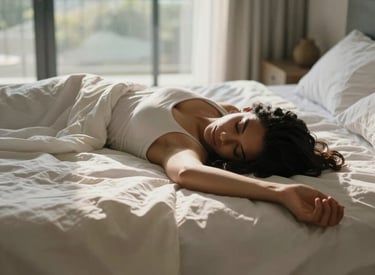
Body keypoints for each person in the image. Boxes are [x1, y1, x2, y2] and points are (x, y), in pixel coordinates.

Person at [107, 86, 345, 227]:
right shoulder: (223, 110)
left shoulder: (183, 146)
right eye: (239, 127)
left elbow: (186, 172)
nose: (224, 138)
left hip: (78, 110)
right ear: (247, 110)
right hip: (99, 86)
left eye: (236, 150)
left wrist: (281, 192)